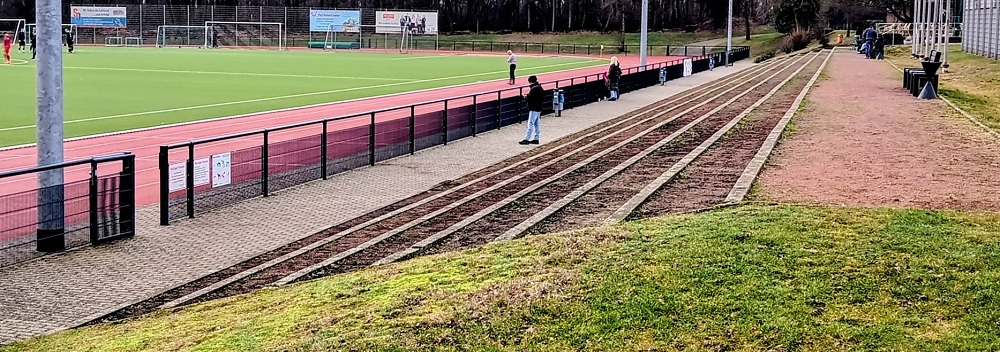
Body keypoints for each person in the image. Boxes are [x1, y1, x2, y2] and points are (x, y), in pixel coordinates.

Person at [519, 75, 544, 145]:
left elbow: (531, 98)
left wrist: (526, 97)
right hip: (538, 107)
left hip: (534, 108)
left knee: (531, 123)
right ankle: (536, 138)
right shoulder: (539, 87)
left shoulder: (534, 89)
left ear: (529, 81)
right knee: (536, 124)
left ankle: (527, 139)